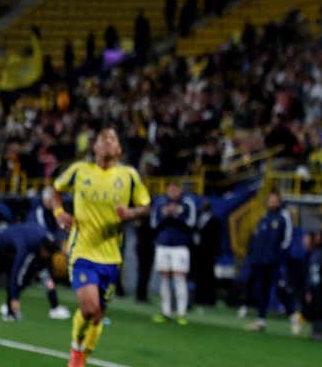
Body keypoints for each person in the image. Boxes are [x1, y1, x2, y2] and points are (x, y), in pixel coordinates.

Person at [52, 125, 152, 367]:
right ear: (95, 147)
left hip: (111, 256)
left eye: (112, 139)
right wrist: (58, 212)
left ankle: (84, 354)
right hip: (82, 250)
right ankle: (76, 352)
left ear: (118, 148)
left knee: (97, 315)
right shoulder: (79, 171)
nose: (107, 141)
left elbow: (146, 207)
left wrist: (131, 213)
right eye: (102, 138)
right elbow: (55, 189)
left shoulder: (129, 176)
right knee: (89, 308)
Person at [0, 221, 62, 321]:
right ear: (43, 249)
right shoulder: (24, 246)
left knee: (41, 274)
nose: (48, 257)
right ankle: (10, 309)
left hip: (15, 246)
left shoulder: (46, 243)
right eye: (48, 254)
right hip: (1, 246)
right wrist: (14, 297)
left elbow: (46, 273)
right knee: (0, 272)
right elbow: (17, 271)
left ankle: (55, 306)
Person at [244, 191, 293, 332]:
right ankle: (261, 320)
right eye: (270, 200)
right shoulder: (264, 217)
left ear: (279, 201)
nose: (271, 203)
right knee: (262, 290)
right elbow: (257, 239)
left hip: (275, 262)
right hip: (260, 261)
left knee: (280, 287)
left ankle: (293, 315)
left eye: (274, 200)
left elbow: (287, 240)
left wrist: (279, 257)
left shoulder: (284, 216)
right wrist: (255, 257)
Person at [150, 182, 196, 324]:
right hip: (163, 245)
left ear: (180, 191)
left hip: (180, 247)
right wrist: (165, 215)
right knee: (164, 278)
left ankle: (181, 313)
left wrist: (176, 215)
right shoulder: (160, 202)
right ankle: (166, 312)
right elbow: (153, 224)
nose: (173, 192)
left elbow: (191, 223)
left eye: (175, 190)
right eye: (170, 190)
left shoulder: (187, 203)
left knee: (179, 278)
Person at [32, 186, 72, 319]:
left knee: (40, 277)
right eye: (52, 200)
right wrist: (60, 247)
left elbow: (58, 230)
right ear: (45, 199)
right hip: (34, 250)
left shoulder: (53, 212)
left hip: (45, 251)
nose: (53, 203)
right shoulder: (39, 211)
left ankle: (54, 306)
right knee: (45, 277)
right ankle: (54, 307)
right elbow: (42, 232)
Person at [193, 200, 222, 307]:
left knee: (209, 276)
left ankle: (209, 299)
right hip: (199, 252)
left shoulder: (215, 220)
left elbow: (217, 238)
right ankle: (198, 298)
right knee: (198, 275)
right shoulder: (198, 218)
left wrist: (215, 252)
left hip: (209, 253)